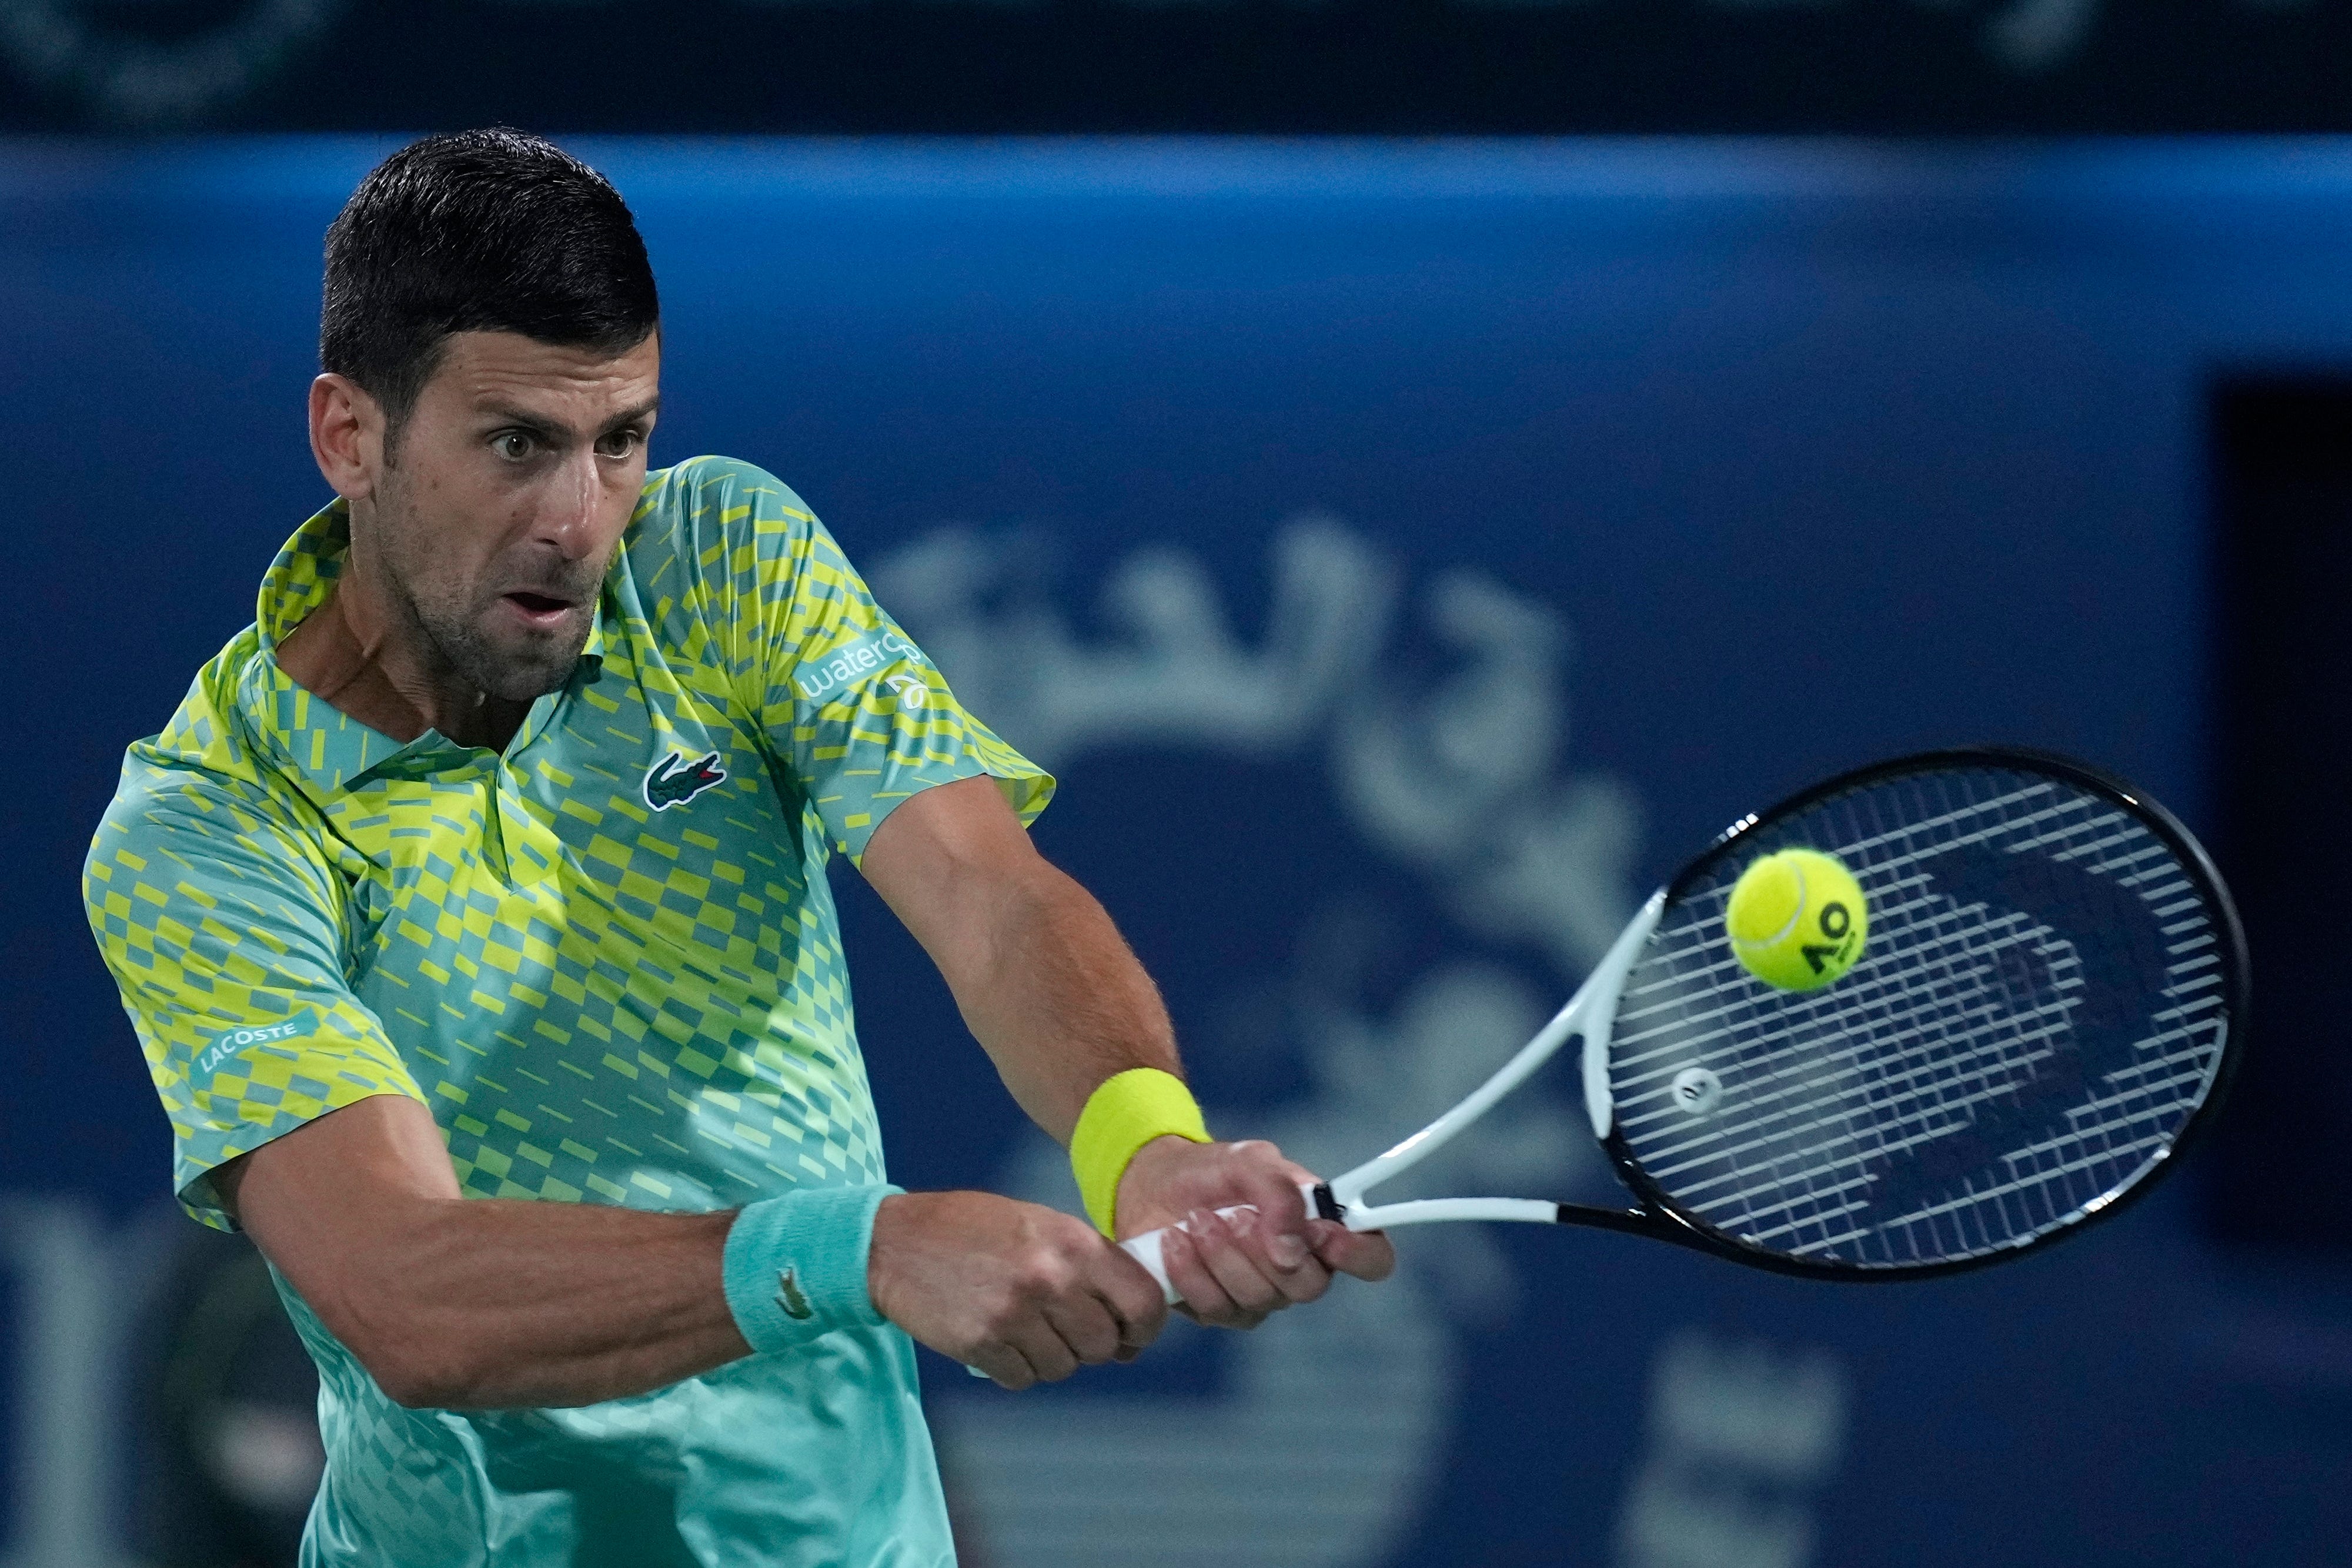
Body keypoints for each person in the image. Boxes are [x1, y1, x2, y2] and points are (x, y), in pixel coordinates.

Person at [82, 128, 1392, 1567]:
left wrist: (1142, 1141)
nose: (578, 519)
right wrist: (858, 1246)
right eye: (517, 443)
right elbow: (406, 1292)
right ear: (351, 435)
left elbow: (982, 888)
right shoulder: (212, 826)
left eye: (619, 440)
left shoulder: (717, 560)